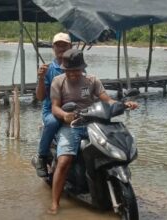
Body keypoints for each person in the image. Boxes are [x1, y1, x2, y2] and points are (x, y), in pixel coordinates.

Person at [48, 49, 138, 214]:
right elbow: (54, 107)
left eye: (77, 70)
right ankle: (55, 202)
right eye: (70, 70)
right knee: (64, 161)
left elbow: (107, 100)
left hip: (95, 123)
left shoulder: (92, 81)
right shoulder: (57, 81)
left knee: (109, 151)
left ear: (83, 68)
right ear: (65, 69)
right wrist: (65, 115)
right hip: (72, 125)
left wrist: (124, 104)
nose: (74, 74)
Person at [34, 33, 72, 177]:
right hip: (51, 110)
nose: (61, 48)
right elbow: (40, 97)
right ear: (53, 48)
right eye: (58, 45)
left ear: (71, 47)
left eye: (65, 45)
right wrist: (41, 78)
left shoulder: (77, 67)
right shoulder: (48, 69)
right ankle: (42, 157)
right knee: (52, 123)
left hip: (73, 109)